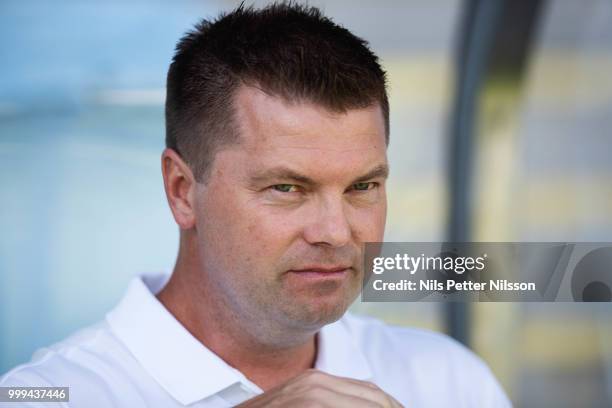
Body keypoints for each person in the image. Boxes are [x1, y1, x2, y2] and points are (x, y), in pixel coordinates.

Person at [0, 3, 511, 407]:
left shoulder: (449, 382)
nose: (335, 232)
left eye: (362, 187)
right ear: (182, 190)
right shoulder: (50, 393)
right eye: (287, 189)